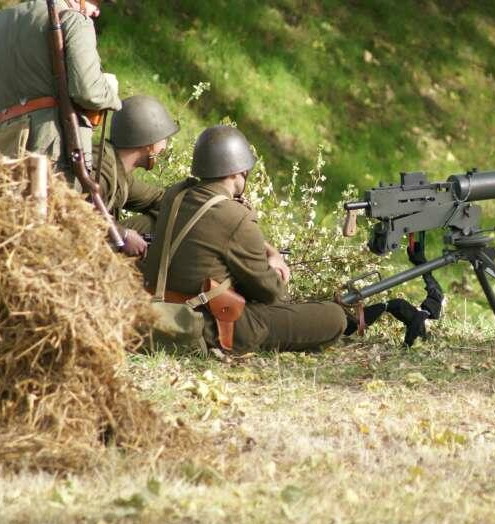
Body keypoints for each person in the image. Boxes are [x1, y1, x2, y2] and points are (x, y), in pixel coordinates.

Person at [143, 125, 347, 353]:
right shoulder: (236, 216)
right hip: (208, 326)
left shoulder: (176, 194)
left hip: (160, 310)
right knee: (334, 317)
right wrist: (276, 266)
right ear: (237, 171)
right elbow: (269, 292)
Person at [0, 0, 120, 171]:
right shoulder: (74, 20)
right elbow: (88, 92)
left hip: (2, 144)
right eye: (95, 2)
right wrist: (112, 95)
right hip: (51, 146)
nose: (97, 12)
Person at [94, 95, 179, 257]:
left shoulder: (118, 169)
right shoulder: (101, 170)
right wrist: (123, 235)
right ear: (149, 144)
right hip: (77, 250)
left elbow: (159, 199)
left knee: (158, 222)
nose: (164, 147)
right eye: (164, 139)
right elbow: (82, 212)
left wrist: (194, 201)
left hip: (93, 242)